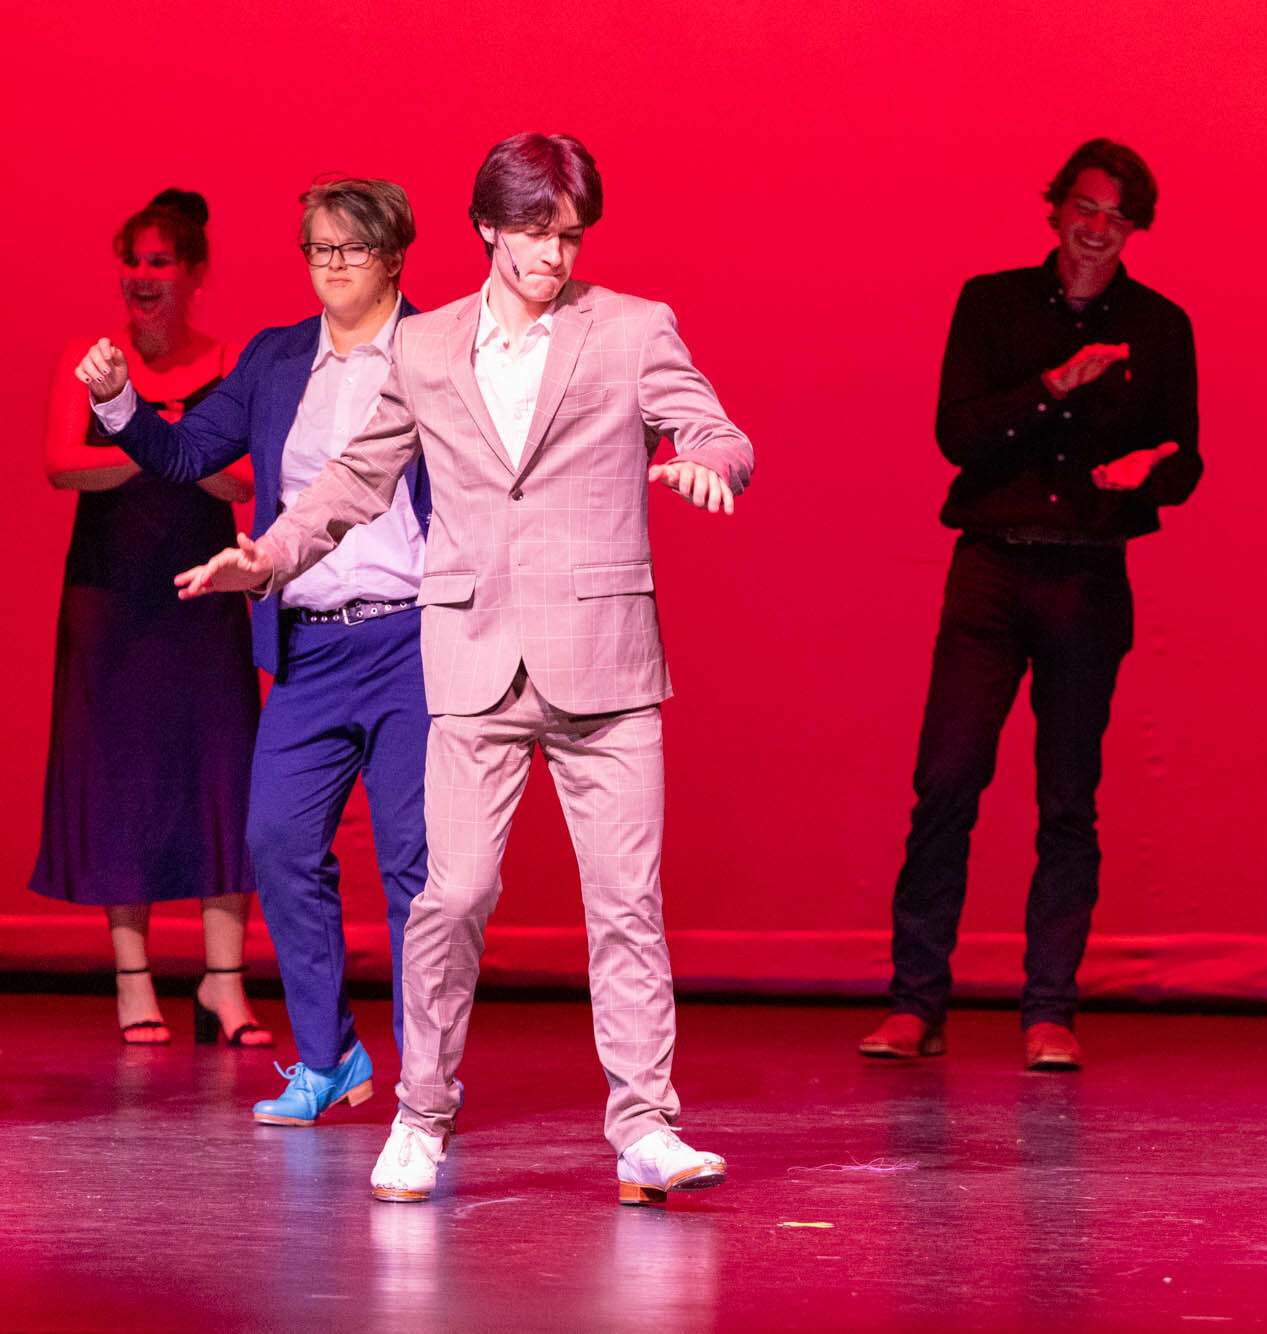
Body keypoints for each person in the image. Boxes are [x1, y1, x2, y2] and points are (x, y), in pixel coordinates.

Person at [161, 133, 753, 1206]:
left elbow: (712, 426)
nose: (554, 256)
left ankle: (646, 1126)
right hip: (473, 659)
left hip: (605, 665)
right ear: (487, 227)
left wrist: (709, 461)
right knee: (453, 894)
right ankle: (420, 1116)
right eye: (534, 233)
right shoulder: (427, 349)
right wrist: (270, 553)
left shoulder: (629, 329)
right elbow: (356, 474)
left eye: (570, 236)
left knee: (625, 903)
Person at [79, 179, 428, 1125]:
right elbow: (190, 454)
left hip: (413, 642)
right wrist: (120, 407)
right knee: (276, 842)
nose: (332, 268)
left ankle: (424, 1083)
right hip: (309, 647)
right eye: (318, 250)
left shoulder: (443, 349)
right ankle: (330, 1057)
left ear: (394, 256)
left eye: (351, 250)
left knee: (414, 867)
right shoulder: (278, 359)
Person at [858, 138, 1202, 1072]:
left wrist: (1151, 474)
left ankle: (1049, 1010)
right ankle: (914, 1002)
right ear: (1056, 211)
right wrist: (1053, 387)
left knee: (1068, 801)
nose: (1098, 230)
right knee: (947, 782)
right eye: (1085, 209)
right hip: (992, 567)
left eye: (1118, 217)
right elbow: (955, 435)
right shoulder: (993, 303)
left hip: (1089, 575)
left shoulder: (1161, 326)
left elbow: (1189, 461)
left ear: (1137, 229)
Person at [34, 189, 267, 1048]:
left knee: (221, 776)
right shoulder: (87, 359)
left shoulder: (231, 359)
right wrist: (162, 441)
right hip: (111, 599)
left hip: (202, 599)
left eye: (159, 262)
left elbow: (243, 479)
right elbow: (63, 463)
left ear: (194, 274)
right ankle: (134, 983)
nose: (141, 276)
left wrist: (140, 437)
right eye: (131, 260)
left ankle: (224, 985)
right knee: (120, 777)